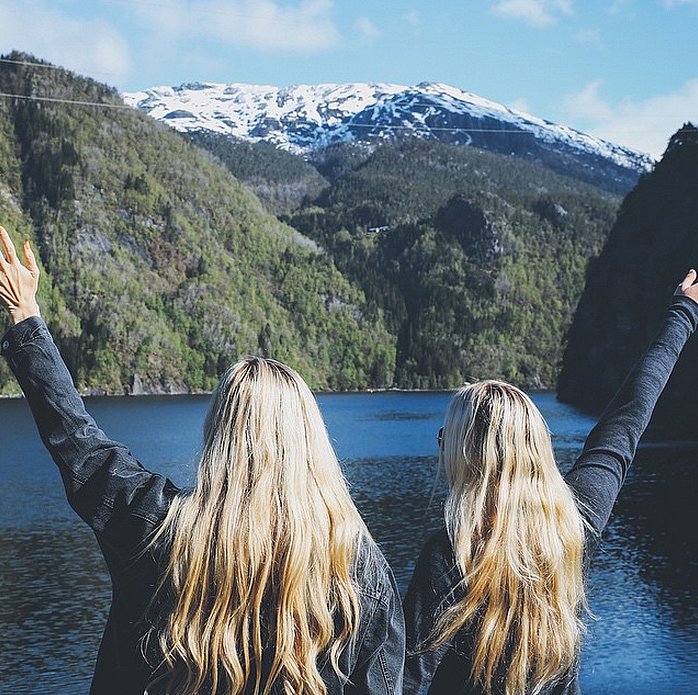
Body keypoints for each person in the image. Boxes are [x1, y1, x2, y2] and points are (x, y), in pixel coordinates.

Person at [0, 225, 405, 695]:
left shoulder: (155, 526)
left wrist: (25, 315)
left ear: (217, 435)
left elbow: (77, 441)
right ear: (312, 442)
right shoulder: (356, 565)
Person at [402, 269, 698, 695]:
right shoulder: (574, 528)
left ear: (468, 456)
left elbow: (403, 681)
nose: (441, 446)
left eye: (445, 438)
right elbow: (628, 417)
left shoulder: (451, 556)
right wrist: (683, 313)